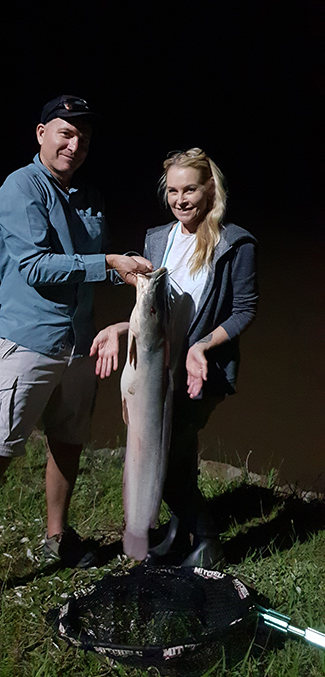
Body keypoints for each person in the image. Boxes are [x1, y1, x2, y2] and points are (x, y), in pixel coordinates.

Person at [0, 94, 152, 637]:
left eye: (82, 137)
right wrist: (109, 264)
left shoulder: (88, 195)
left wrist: (134, 272)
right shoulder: (20, 188)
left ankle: (59, 534)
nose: (73, 145)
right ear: (40, 134)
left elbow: (93, 262)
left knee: (67, 441)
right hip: (26, 342)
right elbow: (35, 267)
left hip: (79, 344)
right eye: (63, 133)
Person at [90, 147, 258, 568]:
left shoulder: (235, 244)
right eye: (173, 190)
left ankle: (207, 541)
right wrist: (119, 327)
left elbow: (245, 311)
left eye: (190, 190)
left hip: (199, 370)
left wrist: (202, 346)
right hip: (155, 368)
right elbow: (153, 315)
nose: (180, 199)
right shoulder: (157, 239)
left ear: (210, 190)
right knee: (172, 456)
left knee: (165, 460)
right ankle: (176, 533)